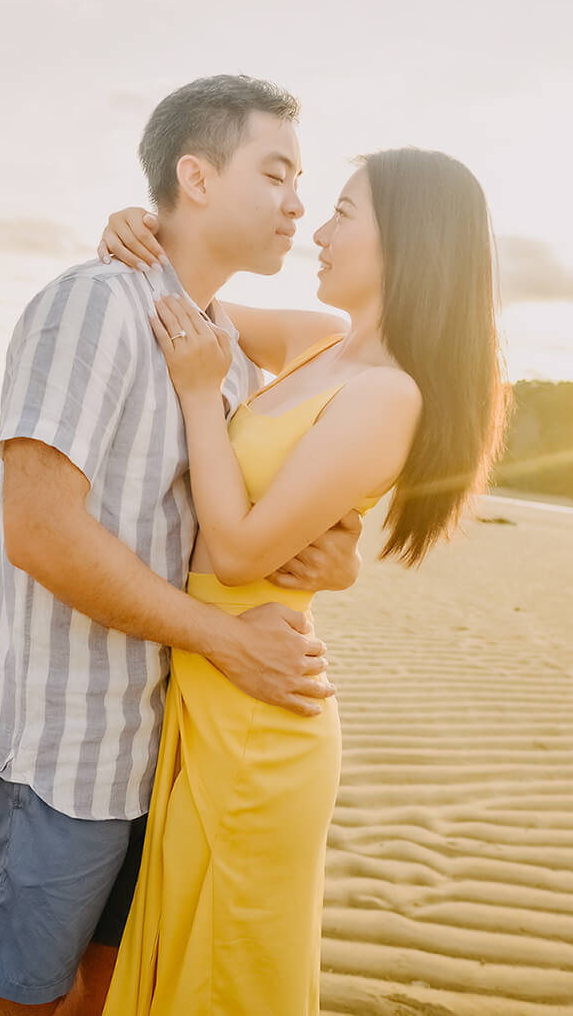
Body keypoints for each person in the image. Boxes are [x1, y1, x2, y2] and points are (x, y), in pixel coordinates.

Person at [0, 74, 376, 1016]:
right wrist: (223, 639)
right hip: (55, 747)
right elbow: (40, 532)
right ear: (198, 178)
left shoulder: (218, 344)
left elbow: (332, 368)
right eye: (278, 173)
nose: (299, 204)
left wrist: (339, 551)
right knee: (11, 1002)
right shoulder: (94, 304)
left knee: (101, 998)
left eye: (310, 184)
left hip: (155, 746)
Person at [93, 147, 508, 1014]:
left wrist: (204, 397)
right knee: (177, 966)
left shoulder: (390, 394)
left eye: (344, 215)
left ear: (409, 242)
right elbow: (186, 306)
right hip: (208, 680)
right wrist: (136, 232)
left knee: (223, 981)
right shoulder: (324, 343)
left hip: (256, 717)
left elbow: (240, 552)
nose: (316, 230)